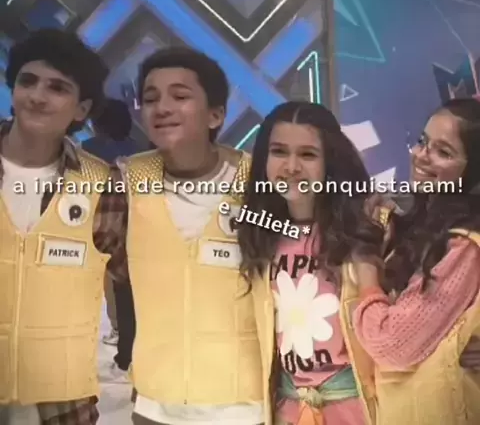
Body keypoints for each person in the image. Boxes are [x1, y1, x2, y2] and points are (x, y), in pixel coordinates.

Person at [99, 47, 273, 424]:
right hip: (155, 405)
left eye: (179, 96)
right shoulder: (128, 180)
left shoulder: (257, 183)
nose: (162, 108)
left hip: (242, 405)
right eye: (150, 98)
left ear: (216, 114)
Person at [0, 28, 127, 424]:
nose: (37, 96)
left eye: (57, 88)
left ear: (81, 109)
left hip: (60, 406)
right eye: (28, 81)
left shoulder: (102, 185)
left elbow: (137, 278)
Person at [236, 101, 388, 425]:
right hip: (289, 410)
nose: (291, 166)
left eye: (307, 155)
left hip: (361, 410)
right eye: (279, 152)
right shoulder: (259, 235)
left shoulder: (371, 227)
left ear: (329, 161)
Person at [352, 98, 480, 424]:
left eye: (444, 152)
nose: (421, 155)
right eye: (423, 142)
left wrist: (367, 277)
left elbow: (391, 344)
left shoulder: (465, 245)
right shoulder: (415, 223)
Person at [82, 98, 138, 383]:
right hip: (138, 231)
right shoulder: (141, 150)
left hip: (99, 229)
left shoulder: (88, 150)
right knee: (130, 296)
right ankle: (128, 355)